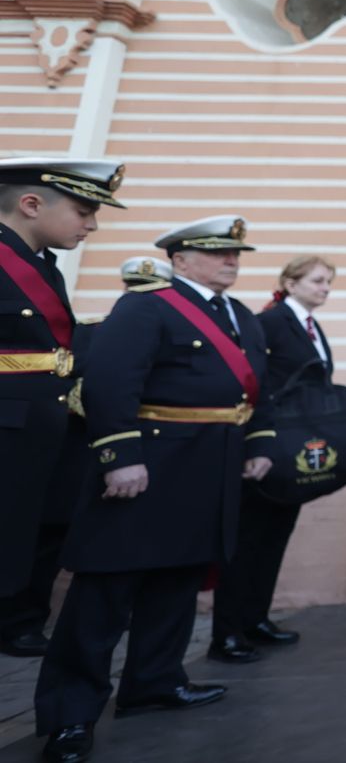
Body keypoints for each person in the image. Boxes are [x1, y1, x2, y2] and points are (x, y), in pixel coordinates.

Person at [33, 215, 273, 763]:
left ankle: (153, 682)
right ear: (179, 259)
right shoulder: (148, 305)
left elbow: (258, 386)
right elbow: (111, 382)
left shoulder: (239, 315)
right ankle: (70, 715)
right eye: (217, 252)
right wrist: (120, 457)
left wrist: (259, 441)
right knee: (104, 593)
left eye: (236, 254)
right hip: (151, 465)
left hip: (210, 469)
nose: (231, 261)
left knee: (177, 583)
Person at [0, 159, 123, 660]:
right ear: (31, 204)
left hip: (44, 424)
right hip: (8, 425)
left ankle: (18, 621)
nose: (91, 225)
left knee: (41, 524)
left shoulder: (42, 263)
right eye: (83, 211)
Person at [210, 255, 336, 663]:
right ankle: (227, 632)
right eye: (317, 281)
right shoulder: (270, 322)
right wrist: (257, 443)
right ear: (291, 283)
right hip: (266, 445)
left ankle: (255, 618)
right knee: (248, 540)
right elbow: (253, 382)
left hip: (293, 447)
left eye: (328, 282)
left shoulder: (309, 326)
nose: (325, 288)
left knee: (274, 536)